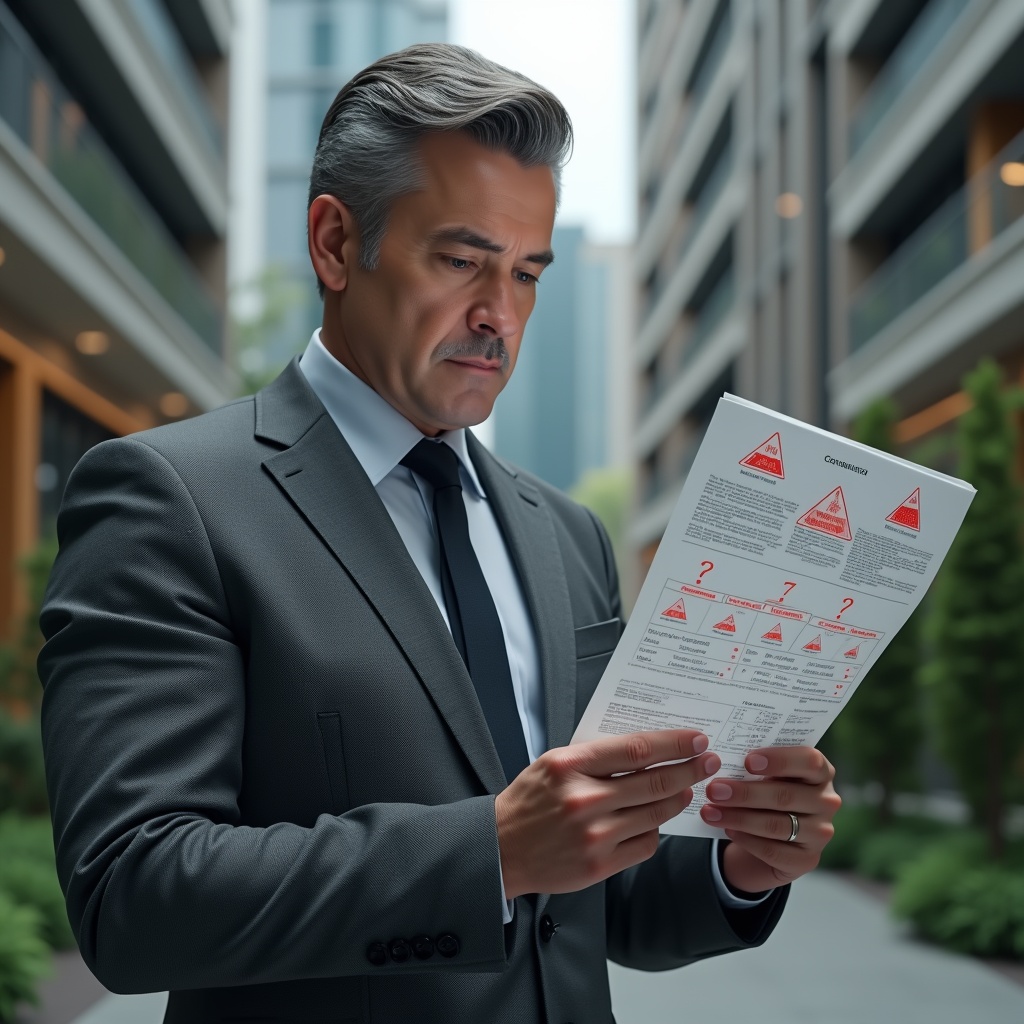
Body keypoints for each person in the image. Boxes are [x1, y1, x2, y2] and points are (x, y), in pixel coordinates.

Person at [37, 43, 840, 1024]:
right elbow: (133, 896)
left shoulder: (567, 535)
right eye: (460, 259)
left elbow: (590, 906)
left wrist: (736, 868)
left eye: (528, 272)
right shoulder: (172, 499)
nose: (499, 315)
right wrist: (492, 849)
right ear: (335, 243)